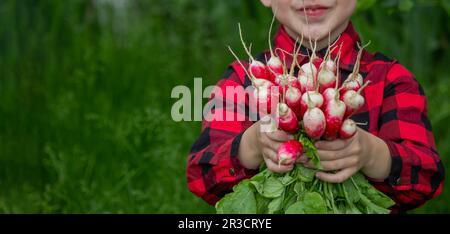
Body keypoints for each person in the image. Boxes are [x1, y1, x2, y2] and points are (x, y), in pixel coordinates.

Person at [186, 0, 444, 212]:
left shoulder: (391, 79)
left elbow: (428, 178)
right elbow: (201, 175)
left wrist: (372, 154)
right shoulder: (241, 79)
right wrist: (251, 145)